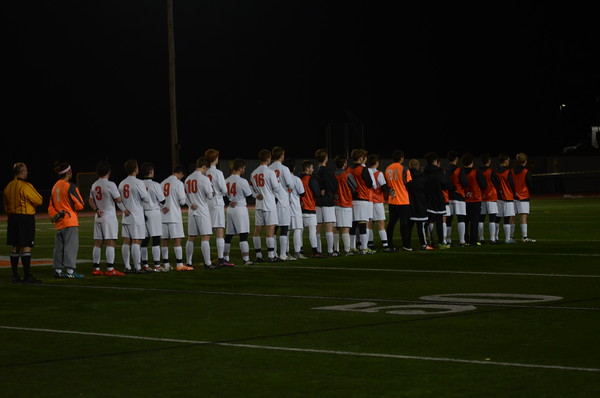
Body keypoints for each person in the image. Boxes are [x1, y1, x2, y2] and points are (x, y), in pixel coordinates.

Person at [3, 162, 43, 284]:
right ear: (21, 172)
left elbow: (6, 206)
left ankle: (15, 276)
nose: (27, 172)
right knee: (27, 246)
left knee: (15, 246)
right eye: (25, 170)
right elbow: (39, 200)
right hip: (25, 218)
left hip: (12, 218)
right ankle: (27, 276)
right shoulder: (25, 186)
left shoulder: (8, 187)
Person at [88, 160, 126, 276]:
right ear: (109, 172)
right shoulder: (110, 184)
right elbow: (118, 200)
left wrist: (96, 209)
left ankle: (96, 268)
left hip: (98, 216)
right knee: (110, 242)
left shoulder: (94, 184)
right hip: (109, 217)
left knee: (98, 242)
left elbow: (90, 200)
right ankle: (110, 269)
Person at [48, 161, 85, 278]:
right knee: (71, 247)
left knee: (59, 248)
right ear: (68, 172)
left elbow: (50, 206)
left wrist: (56, 215)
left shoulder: (54, 187)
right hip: (70, 220)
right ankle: (70, 271)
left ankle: (58, 270)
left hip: (59, 221)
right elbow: (80, 204)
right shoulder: (70, 186)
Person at [118, 159, 151, 273]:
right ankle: (137, 267)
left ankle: (127, 266)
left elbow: (118, 200)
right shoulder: (138, 182)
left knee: (126, 241)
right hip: (136, 215)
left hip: (126, 216)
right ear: (136, 169)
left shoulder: (122, 183)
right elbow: (146, 198)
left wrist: (123, 209)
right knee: (136, 241)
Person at [249, 149, 281, 262]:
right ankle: (271, 255)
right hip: (269, 204)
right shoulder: (270, 172)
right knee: (270, 229)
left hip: (259, 204)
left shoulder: (253, 173)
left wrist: (256, 195)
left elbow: (251, 190)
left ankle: (258, 255)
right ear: (268, 158)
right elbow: (276, 188)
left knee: (257, 230)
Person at [185, 156, 215, 269]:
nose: (206, 171)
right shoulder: (204, 179)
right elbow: (210, 196)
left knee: (191, 237)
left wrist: (190, 204)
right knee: (205, 236)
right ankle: (208, 263)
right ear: (203, 167)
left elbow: (185, 196)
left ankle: (188, 262)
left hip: (192, 211)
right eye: (205, 169)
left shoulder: (188, 179)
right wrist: (213, 192)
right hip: (202, 210)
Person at [205, 149, 233, 266]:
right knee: (220, 230)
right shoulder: (218, 173)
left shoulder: (204, 172)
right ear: (215, 159)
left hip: (206, 204)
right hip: (216, 203)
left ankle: (207, 259)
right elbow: (225, 190)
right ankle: (221, 259)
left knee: (206, 233)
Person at [224, 158, 254, 265]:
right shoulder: (242, 181)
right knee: (243, 235)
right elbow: (250, 196)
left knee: (229, 235)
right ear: (240, 168)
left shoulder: (226, 180)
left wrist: (229, 201)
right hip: (240, 209)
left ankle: (225, 258)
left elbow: (223, 196)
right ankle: (246, 259)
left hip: (230, 209)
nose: (244, 170)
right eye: (244, 168)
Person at [140, 162, 167, 272]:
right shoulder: (155, 184)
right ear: (151, 172)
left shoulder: (139, 183)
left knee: (145, 240)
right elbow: (162, 200)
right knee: (156, 239)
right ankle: (156, 265)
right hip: (153, 212)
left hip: (142, 213)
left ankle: (145, 265)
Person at [160, 164, 188, 271]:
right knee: (177, 239)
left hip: (163, 216)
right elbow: (182, 201)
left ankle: (166, 264)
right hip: (174, 215)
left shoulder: (162, 183)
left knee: (165, 240)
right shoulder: (178, 183)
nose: (181, 177)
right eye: (182, 175)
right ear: (180, 173)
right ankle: (179, 264)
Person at [269, 146, 295, 261]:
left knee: (274, 228)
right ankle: (283, 254)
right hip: (283, 201)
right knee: (284, 228)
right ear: (281, 156)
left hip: (272, 201)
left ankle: (273, 253)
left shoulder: (269, 168)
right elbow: (291, 184)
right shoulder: (284, 169)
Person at [347, 148, 375, 255]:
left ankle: (353, 247)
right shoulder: (364, 169)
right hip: (362, 199)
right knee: (363, 224)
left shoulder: (348, 169)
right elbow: (369, 184)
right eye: (364, 158)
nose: (366, 160)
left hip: (351, 200)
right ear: (360, 158)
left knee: (353, 225)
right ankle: (364, 248)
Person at [423, 152, 453, 249]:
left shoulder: (424, 172)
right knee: (439, 221)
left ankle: (428, 241)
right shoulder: (440, 171)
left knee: (428, 221)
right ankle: (441, 242)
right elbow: (446, 185)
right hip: (438, 199)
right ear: (435, 161)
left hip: (427, 199)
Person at [384, 150, 412, 251]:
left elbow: (386, 184)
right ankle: (406, 245)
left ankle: (390, 245)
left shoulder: (388, 169)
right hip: (403, 200)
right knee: (404, 224)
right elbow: (409, 184)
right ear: (401, 158)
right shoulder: (404, 169)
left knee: (391, 223)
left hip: (392, 200)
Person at [314, 148, 338, 256]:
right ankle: (330, 250)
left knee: (318, 225)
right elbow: (333, 184)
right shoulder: (327, 170)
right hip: (327, 199)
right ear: (326, 158)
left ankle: (318, 250)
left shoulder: (315, 170)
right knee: (329, 224)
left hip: (318, 200)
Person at [366, 153, 391, 251]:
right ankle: (385, 245)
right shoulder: (378, 173)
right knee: (381, 222)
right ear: (377, 163)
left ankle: (370, 244)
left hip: (368, 200)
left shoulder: (366, 171)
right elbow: (384, 187)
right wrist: (390, 192)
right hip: (377, 200)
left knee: (369, 223)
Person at [462, 153, 487, 246]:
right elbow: (484, 185)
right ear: (472, 162)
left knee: (465, 221)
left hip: (464, 200)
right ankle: (473, 240)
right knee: (474, 221)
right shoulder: (476, 172)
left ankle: (465, 239)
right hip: (475, 200)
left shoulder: (460, 171)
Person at [299, 159, 323, 258]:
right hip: (310, 207)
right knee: (312, 231)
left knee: (299, 231)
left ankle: (300, 251)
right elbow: (317, 194)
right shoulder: (311, 179)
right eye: (312, 168)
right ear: (308, 169)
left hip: (299, 209)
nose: (313, 170)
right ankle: (315, 252)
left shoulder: (298, 179)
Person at [406, 159, 431, 250]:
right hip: (420, 205)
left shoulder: (406, 177)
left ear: (409, 166)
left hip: (408, 205)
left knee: (408, 227)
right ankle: (423, 244)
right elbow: (427, 192)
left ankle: (407, 245)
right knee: (421, 227)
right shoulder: (422, 178)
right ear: (418, 166)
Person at [285, 158, 307, 259]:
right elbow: (302, 193)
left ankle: (285, 252)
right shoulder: (296, 179)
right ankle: (297, 252)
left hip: (284, 207)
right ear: (293, 168)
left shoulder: (281, 179)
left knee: (286, 231)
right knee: (297, 229)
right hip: (295, 207)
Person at [446, 151, 468, 246]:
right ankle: (462, 241)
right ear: (456, 159)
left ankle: (448, 240)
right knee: (461, 219)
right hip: (459, 196)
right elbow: (465, 183)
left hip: (448, 196)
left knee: (448, 220)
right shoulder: (460, 169)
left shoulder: (445, 170)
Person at [512, 152, 536, 242]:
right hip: (524, 196)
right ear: (525, 161)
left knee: (512, 217)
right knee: (523, 217)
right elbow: (529, 183)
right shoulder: (526, 171)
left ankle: (511, 237)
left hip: (513, 196)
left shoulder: (511, 171)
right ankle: (524, 237)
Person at [478, 153, 500, 244]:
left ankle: (481, 239)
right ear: (489, 161)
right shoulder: (491, 171)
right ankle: (492, 239)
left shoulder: (478, 171)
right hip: (491, 197)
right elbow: (497, 183)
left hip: (481, 198)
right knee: (492, 219)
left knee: (481, 219)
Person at [333, 156, 353, 256]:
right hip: (346, 203)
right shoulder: (347, 175)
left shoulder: (333, 175)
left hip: (335, 203)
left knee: (336, 227)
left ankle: (335, 250)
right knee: (346, 227)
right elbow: (354, 187)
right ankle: (347, 250)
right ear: (344, 164)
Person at [495, 153, 517, 244]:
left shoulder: (495, 171)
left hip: (498, 198)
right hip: (507, 197)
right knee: (507, 219)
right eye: (508, 160)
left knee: (497, 219)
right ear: (505, 161)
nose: (508, 162)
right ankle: (507, 239)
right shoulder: (508, 172)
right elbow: (512, 184)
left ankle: (494, 238)